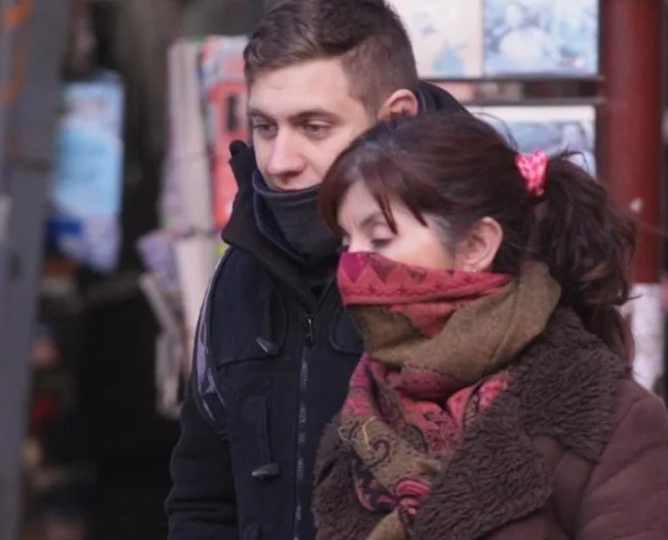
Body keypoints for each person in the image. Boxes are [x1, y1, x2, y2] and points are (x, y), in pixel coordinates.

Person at [311, 113, 668, 539]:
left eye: (380, 238)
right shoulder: (358, 417)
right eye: (346, 243)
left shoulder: (608, 419)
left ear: (477, 245)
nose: (353, 266)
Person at [164, 1, 467, 539]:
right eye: (265, 127)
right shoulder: (239, 276)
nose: (281, 161)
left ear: (396, 119)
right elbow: (203, 498)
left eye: (314, 127)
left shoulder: (476, 267)